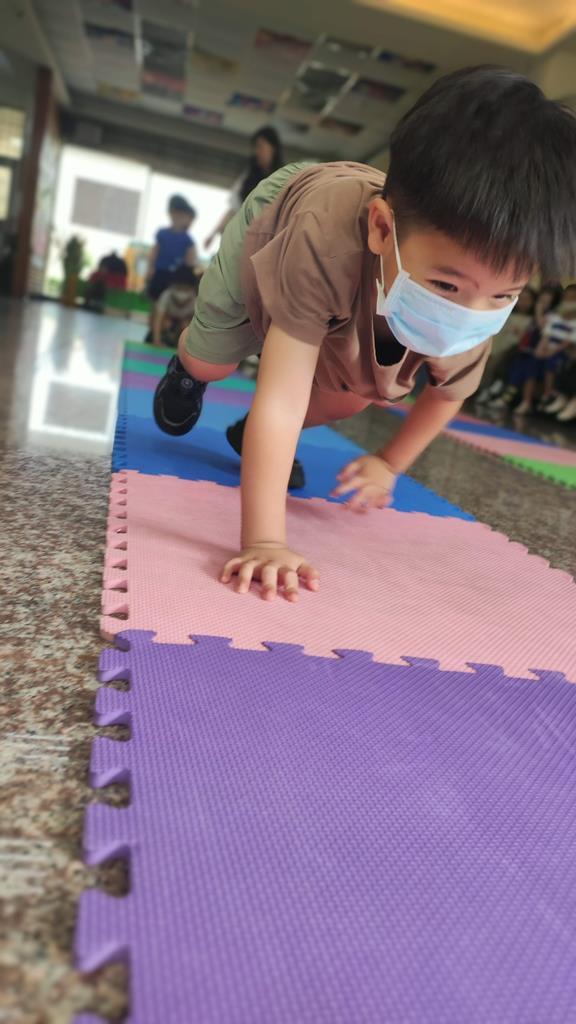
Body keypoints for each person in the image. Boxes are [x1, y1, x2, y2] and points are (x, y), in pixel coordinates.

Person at [153, 66, 576, 601]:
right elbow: (280, 395)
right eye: (446, 286)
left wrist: (389, 463)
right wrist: (264, 541)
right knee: (215, 361)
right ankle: (187, 370)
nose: (471, 312)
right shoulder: (325, 243)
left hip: (365, 279)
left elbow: (449, 392)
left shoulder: (477, 290)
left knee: (352, 398)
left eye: (503, 295)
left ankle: (247, 437)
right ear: (381, 229)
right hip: (283, 216)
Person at [204, 127, 284, 250]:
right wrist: (214, 233)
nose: (257, 152)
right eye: (255, 148)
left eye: (261, 146)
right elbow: (233, 207)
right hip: (243, 240)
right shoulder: (248, 177)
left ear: (273, 148)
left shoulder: (285, 179)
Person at [487, 284, 563, 410]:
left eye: (546, 301)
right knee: (512, 369)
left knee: (524, 373)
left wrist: (538, 309)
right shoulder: (533, 316)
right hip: (525, 350)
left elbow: (542, 327)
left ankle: (511, 400)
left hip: (537, 352)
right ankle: (499, 393)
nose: (542, 303)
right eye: (541, 300)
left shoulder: (551, 316)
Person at [475, 285, 535, 402]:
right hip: (496, 344)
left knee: (496, 364)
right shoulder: (507, 313)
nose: (523, 302)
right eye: (521, 299)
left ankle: (487, 390)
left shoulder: (531, 320)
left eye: (527, 299)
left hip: (512, 349)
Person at [146, 194, 198, 302]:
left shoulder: (188, 240)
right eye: (187, 218)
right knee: (154, 298)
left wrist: (187, 277)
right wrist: (150, 268)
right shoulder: (162, 233)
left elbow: (190, 263)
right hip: (159, 273)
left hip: (175, 278)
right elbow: (154, 252)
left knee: (169, 301)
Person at [150, 265, 198, 348]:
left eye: (186, 289)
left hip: (182, 324)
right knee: (166, 323)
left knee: (186, 326)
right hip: (168, 320)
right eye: (179, 288)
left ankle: (180, 344)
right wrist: (156, 339)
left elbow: (197, 325)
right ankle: (165, 339)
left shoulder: (195, 300)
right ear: (172, 286)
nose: (182, 293)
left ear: (192, 289)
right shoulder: (167, 295)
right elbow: (158, 318)